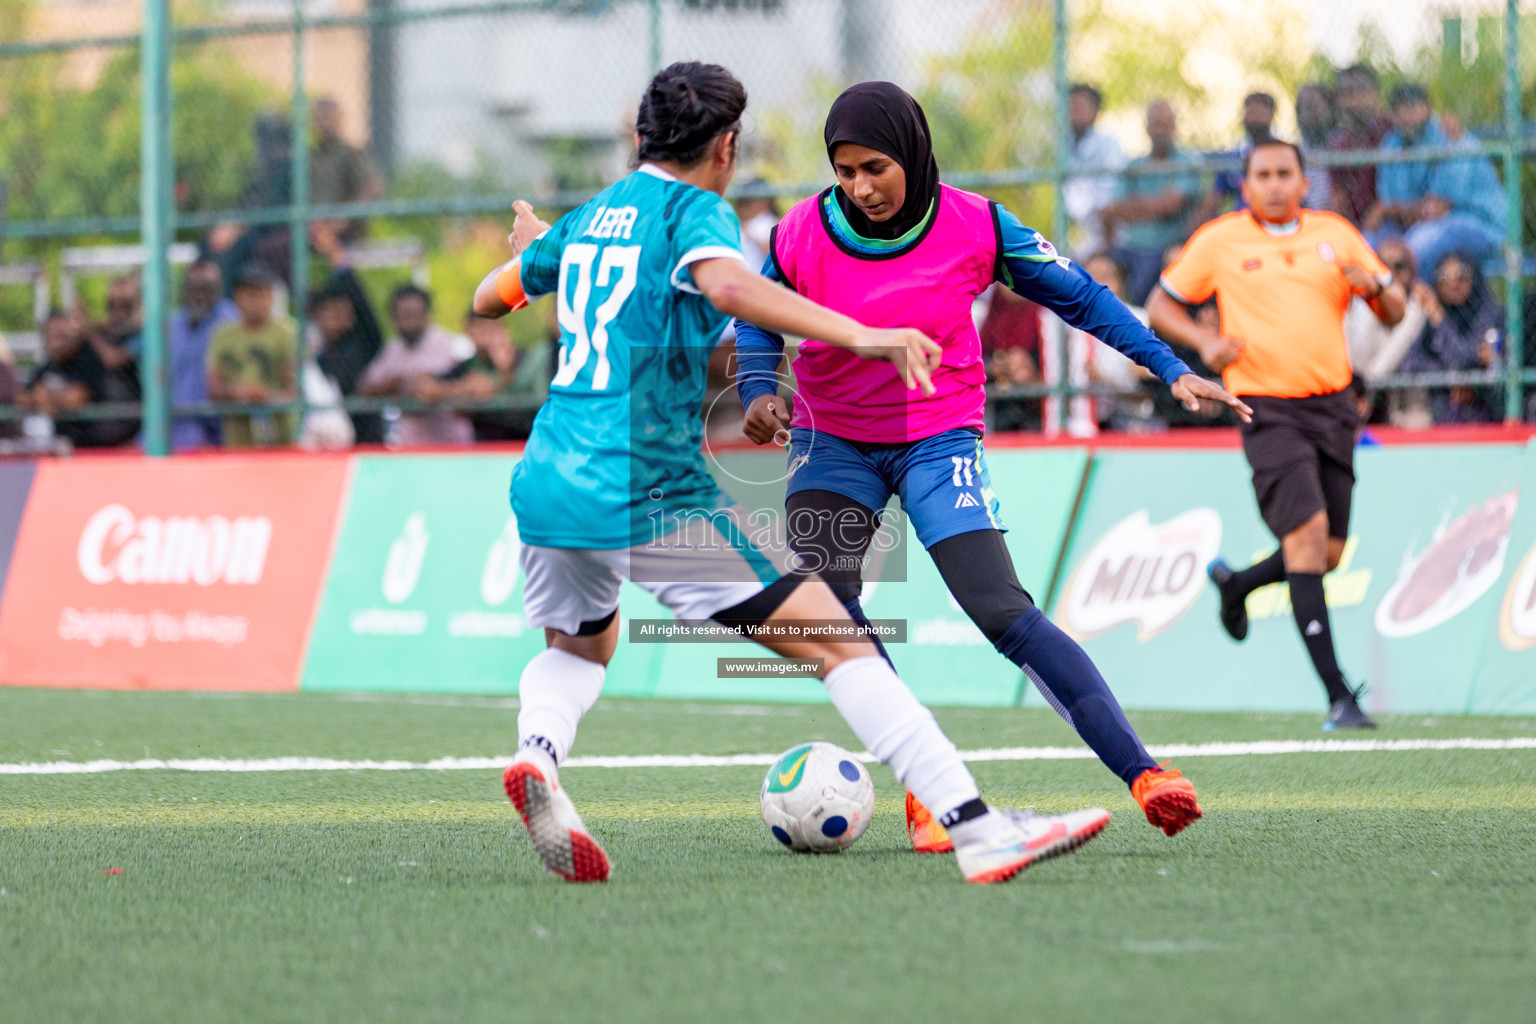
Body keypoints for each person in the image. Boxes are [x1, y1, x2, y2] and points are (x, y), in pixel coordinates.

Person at [472, 62, 1113, 886]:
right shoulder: (694, 211)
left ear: (640, 136)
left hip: (546, 480)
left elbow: (492, 299)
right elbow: (732, 286)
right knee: (841, 641)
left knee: (582, 644)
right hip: (646, 490)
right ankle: (976, 825)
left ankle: (538, 756)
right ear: (727, 145)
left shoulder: (589, 218)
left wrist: (536, 255)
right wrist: (864, 335)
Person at [733, 81, 1250, 850]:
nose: (859, 187)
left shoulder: (977, 223)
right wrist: (756, 389)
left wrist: (1168, 367)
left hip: (938, 435)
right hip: (831, 440)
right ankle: (928, 793)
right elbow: (756, 317)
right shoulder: (800, 232)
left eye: (874, 167)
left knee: (1000, 609)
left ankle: (1144, 771)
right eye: (843, 171)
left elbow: (1084, 299)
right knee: (831, 613)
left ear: (910, 151)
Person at [1147, 139, 1407, 730]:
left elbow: (1393, 310)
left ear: (1304, 180)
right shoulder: (1220, 240)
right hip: (1263, 407)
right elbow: (1160, 303)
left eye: (1284, 173)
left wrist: (1372, 284)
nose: (1273, 184)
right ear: (1245, 185)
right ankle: (1340, 697)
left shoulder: (1337, 233)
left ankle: (1237, 584)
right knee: (1309, 535)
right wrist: (1205, 344)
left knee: (1329, 553)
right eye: (1261, 174)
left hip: (1335, 406)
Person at [1368, 83, 1506, 275]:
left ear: (1428, 107)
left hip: (1477, 224)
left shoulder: (1451, 136)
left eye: (1411, 107)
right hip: (1415, 226)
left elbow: (1437, 208)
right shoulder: (1391, 143)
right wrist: (1393, 211)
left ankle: (1415, 302)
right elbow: (1394, 204)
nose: (1405, 116)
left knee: (1416, 246)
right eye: (1398, 110)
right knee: (1368, 244)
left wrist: (1387, 210)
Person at [1101, 99, 1202, 304]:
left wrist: (1135, 205)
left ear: (1175, 127)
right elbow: (1111, 210)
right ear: (1147, 127)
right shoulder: (1135, 165)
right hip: (1129, 247)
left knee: (1146, 286)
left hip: (1165, 246)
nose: (1161, 130)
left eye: (1166, 124)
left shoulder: (1186, 161)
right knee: (1097, 269)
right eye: (1156, 123)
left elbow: (1172, 206)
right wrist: (1157, 205)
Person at [358, 284, 475, 446]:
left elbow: (471, 384)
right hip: (411, 445)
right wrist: (396, 385)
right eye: (403, 315)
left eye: (413, 314)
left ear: (426, 314)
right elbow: (366, 388)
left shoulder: (448, 345)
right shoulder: (392, 349)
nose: (409, 321)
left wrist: (437, 388)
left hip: (451, 442)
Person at [1398, 252, 1503, 424]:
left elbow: (1464, 358)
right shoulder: (1429, 315)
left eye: (1461, 277)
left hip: (1483, 403)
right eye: (1445, 277)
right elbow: (1410, 361)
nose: (1453, 284)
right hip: (1441, 400)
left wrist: (1440, 320)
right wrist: (1449, 377)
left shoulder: (1489, 312)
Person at [206, 266, 297, 448]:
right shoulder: (223, 334)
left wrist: (266, 396)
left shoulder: (287, 332)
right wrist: (239, 393)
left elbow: (295, 388)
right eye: (248, 294)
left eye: (260, 294)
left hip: (281, 435)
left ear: (271, 297)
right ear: (236, 297)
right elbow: (212, 386)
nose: (254, 301)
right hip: (237, 438)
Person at [21, 310, 136, 448]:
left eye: (61, 335)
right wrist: (37, 396)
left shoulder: (87, 359)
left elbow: (77, 398)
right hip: (70, 447)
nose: (57, 342)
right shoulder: (48, 365)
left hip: (103, 447)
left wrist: (47, 397)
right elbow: (22, 396)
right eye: (51, 336)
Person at [1346, 238, 1429, 425]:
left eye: (1399, 266)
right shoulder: (1363, 308)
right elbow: (1357, 363)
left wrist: (1416, 313)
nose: (1391, 273)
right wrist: (1351, 311)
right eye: (1382, 264)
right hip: (1367, 407)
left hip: (1411, 410)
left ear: (1412, 272)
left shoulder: (1422, 308)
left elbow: (1377, 372)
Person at [438, 311, 549, 441]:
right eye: (479, 329)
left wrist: (503, 374)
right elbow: (431, 387)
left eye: (490, 328)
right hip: (485, 446)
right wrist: (463, 388)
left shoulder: (524, 359)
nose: (485, 336)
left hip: (523, 440)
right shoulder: (468, 365)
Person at [168, 259, 237, 450]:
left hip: (216, 430)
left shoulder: (230, 321)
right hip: (173, 427)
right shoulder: (173, 324)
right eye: (192, 287)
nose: (198, 294)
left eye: (206, 288)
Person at [1191, 92, 1277, 227]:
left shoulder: (1283, 154)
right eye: (1251, 112)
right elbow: (1214, 197)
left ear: (1271, 115)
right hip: (1242, 224)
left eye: (1259, 112)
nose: (1254, 117)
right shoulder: (1232, 158)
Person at [1063, 83, 1127, 256]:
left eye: (1081, 106)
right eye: (1071, 106)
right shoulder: (1058, 146)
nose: (1075, 111)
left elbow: (1110, 196)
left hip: (1104, 235)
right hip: (1069, 234)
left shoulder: (1109, 144)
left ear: (1095, 111)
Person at [310, 97, 384, 246]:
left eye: (328, 115)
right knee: (273, 245)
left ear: (339, 118)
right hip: (313, 228)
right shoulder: (313, 157)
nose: (324, 121)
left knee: (278, 248)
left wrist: (341, 221)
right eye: (320, 116)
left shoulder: (351, 154)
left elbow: (373, 186)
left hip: (344, 230)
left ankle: (344, 268)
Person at [1326, 65, 1392, 225]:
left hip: (1390, 220)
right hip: (1354, 221)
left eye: (1361, 90)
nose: (1355, 98)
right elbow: (1339, 194)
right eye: (1347, 92)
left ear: (1375, 93)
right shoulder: (1338, 141)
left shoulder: (1392, 129)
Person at [1296, 83, 1336, 214]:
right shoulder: (1295, 153)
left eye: (1317, 107)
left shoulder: (1343, 145)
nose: (1312, 114)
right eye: (1307, 108)